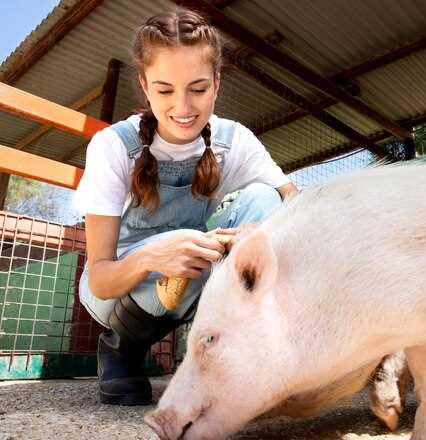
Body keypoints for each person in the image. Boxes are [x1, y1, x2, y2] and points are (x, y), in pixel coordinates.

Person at [73, 9, 297, 406]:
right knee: (187, 244)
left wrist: (264, 233)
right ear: (143, 85)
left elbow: (297, 206)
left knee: (266, 201)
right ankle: (121, 350)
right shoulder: (114, 146)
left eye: (198, 88)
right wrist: (151, 257)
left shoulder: (234, 140)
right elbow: (100, 280)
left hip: (193, 271)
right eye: (164, 90)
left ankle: (235, 356)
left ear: (217, 82)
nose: (183, 107)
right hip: (117, 288)